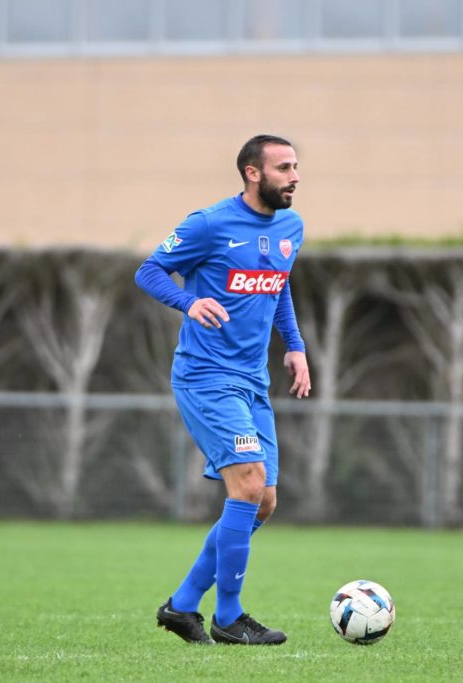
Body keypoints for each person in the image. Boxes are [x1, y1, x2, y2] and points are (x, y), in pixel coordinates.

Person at [135, 134, 311, 646]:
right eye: (284, 168)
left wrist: (295, 345)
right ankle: (229, 618)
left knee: (264, 500)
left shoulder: (291, 227)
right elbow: (149, 271)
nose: (295, 176)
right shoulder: (209, 224)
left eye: (296, 167)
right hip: (206, 377)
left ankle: (181, 606)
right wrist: (188, 303)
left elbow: (278, 285)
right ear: (253, 173)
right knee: (249, 484)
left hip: (253, 380)